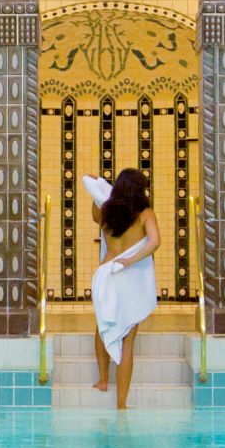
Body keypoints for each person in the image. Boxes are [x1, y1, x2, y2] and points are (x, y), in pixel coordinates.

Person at [86, 169, 160, 409]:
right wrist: (131, 259)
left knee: (103, 325)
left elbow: (96, 214)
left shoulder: (106, 211)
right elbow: (155, 241)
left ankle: (103, 379)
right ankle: (121, 403)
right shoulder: (145, 214)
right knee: (127, 339)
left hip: (106, 274)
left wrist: (97, 187)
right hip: (128, 276)